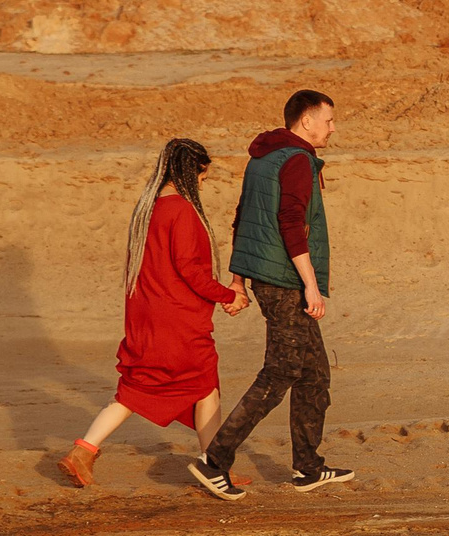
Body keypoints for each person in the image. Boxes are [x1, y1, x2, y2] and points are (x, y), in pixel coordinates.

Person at [59, 138, 250, 487]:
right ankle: (214, 467)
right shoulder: (182, 210)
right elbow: (191, 271)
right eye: (203, 178)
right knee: (203, 386)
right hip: (176, 319)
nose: (203, 185)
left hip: (146, 313)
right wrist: (229, 295)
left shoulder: (147, 208)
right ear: (190, 174)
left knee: (140, 386)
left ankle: (84, 449)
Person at [192, 89, 355, 498]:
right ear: (306, 122)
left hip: (271, 277)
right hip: (284, 280)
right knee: (281, 371)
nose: (333, 128)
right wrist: (312, 286)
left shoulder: (264, 157)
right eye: (329, 120)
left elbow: (244, 216)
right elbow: (289, 223)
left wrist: (237, 280)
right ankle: (215, 461)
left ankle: (308, 467)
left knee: (314, 373)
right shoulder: (296, 159)